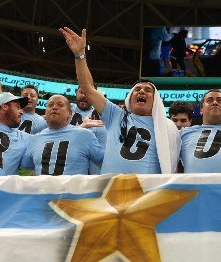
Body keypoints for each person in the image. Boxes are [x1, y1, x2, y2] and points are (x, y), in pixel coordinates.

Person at [60, 26, 180, 174]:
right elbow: (87, 88)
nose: (141, 91)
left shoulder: (166, 126)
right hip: (110, 192)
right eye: (137, 89)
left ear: (156, 101)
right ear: (130, 98)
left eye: (148, 90)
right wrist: (80, 55)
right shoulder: (115, 115)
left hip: (146, 194)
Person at [22, 95, 104, 176]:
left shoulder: (85, 135)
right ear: (45, 112)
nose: (54, 107)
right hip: (42, 189)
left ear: (69, 113)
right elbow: (24, 170)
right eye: (50, 105)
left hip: (74, 189)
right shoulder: (35, 139)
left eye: (60, 105)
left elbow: (105, 162)